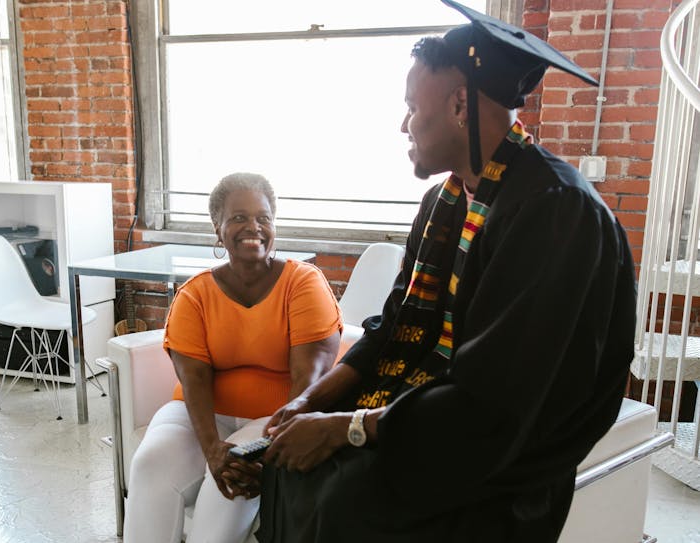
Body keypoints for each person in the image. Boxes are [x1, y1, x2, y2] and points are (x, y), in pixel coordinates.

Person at [255, 2, 636, 542]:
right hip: (432, 416)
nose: (402, 124)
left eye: (412, 106)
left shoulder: (554, 211)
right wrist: (311, 401)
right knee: (287, 459)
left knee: (342, 499)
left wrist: (347, 428)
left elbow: (496, 401)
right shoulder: (445, 200)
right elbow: (392, 328)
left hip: (497, 468)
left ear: (460, 103)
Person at [123, 172, 342, 543]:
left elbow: (308, 382)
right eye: (238, 217)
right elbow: (193, 379)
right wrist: (212, 449)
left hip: (275, 420)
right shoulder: (194, 294)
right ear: (218, 227)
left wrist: (273, 447)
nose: (252, 227)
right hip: (202, 416)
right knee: (150, 466)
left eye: (263, 218)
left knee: (227, 488)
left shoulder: (303, 283)